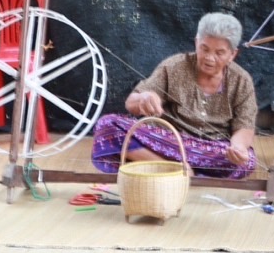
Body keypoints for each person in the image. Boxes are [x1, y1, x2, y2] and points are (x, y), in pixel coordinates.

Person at [91, 12, 258, 178]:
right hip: (168, 144)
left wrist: (238, 148)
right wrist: (144, 98)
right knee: (107, 125)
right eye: (204, 48)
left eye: (219, 53)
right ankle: (173, 169)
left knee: (247, 160)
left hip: (212, 151)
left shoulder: (241, 80)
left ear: (232, 54)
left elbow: (245, 125)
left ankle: (181, 172)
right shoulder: (174, 66)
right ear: (196, 42)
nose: (209, 58)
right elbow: (131, 103)